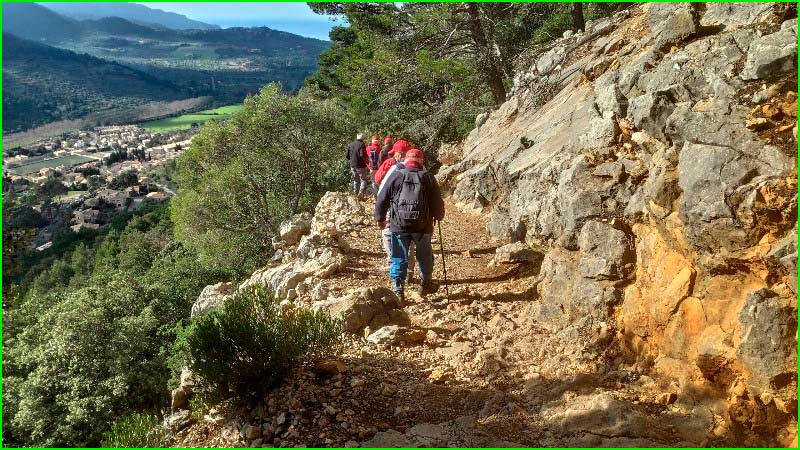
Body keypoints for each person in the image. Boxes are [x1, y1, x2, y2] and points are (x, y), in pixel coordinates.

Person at [375, 148, 445, 301]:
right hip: (423, 227)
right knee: (424, 255)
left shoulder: (396, 175)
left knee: (399, 256)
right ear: (421, 161)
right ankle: (425, 283)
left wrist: (380, 218)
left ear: (406, 161)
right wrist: (439, 216)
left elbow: (382, 198)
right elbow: (437, 203)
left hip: (399, 225)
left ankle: (398, 289)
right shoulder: (428, 177)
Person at [376, 145, 417, 284]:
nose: (394, 155)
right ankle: (409, 273)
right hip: (416, 216)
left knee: (388, 235)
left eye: (396, 153)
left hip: (396, 214)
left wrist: (380, 217)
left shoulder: (395, 168)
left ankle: (395, 271)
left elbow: (381, 188)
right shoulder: (423, 171)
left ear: (401, 154)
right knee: (411, 241)